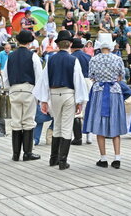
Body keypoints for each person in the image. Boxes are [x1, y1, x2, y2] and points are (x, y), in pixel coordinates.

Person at [33, 30, 88, 170]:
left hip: (54, 93)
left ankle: (53, 158)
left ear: (58, 44)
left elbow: (44, 80)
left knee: (56, 124)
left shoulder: (51, 59)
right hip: (68, 93)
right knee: (66, 126)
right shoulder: (73, 60)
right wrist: (80, 101)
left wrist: (43, 100)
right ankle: (63, 160)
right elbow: (78, 81)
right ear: (69, 44)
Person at [84, 33, 128, 168]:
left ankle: (103, 158)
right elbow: (122, 75)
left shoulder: (94, 59)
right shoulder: (117, 59)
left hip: (99, 91)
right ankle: (117, 157)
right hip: (114, 91)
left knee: (99, 123)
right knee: (115, 122)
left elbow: (91, 76)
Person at [2, 30, 43, 162]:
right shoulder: (33, 56)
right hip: (28, 88)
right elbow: (39, 76)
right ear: (30, 42)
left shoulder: (11, 56)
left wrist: (9, 88)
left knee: (16, 121)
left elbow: (5, 75)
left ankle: (15, 154)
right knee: (28, 120)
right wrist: (39, 94)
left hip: (14, 88)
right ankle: (27, 152)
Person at [70, 38, 92, 146]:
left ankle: (78, 137)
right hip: (88, 81)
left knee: (77, 109)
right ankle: (89, 136)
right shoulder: (88, 57)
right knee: (87, 108)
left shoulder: (71, 57)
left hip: (77, 81)